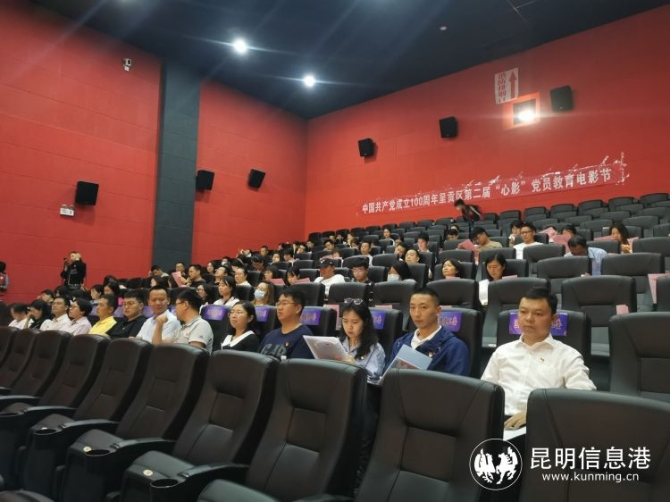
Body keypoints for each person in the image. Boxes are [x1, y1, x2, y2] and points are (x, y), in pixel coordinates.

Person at [481, 287, 596, 429]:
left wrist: (536, 413)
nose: (528, 318)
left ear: (553, 319)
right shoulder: (502, 352)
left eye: (538, 314)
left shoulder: (568, 356)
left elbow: (583, 397)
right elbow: (484, 392)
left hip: (541, 424)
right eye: (523, 312)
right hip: (497, 423)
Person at [387, 288, 469, 375]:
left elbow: (455, 383)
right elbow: (388, 378)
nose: (416, 314)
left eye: (423, 307)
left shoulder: (454, 347)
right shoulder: (400, 343)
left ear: (438, 311)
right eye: (412, 307)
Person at [258, 288, 313, 359]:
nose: (279, 308)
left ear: (297, 308)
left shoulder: (304, 337)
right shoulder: (270, 335)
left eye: (284, 303)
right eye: (278, 304)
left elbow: (297, 365)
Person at [337, 300, 385, 380]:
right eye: (345, 321)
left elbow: (374, 381)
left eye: (354, 322)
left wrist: (354, 367)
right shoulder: (337, 343)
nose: (349, 326)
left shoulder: (375, 349)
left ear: (365, 322)